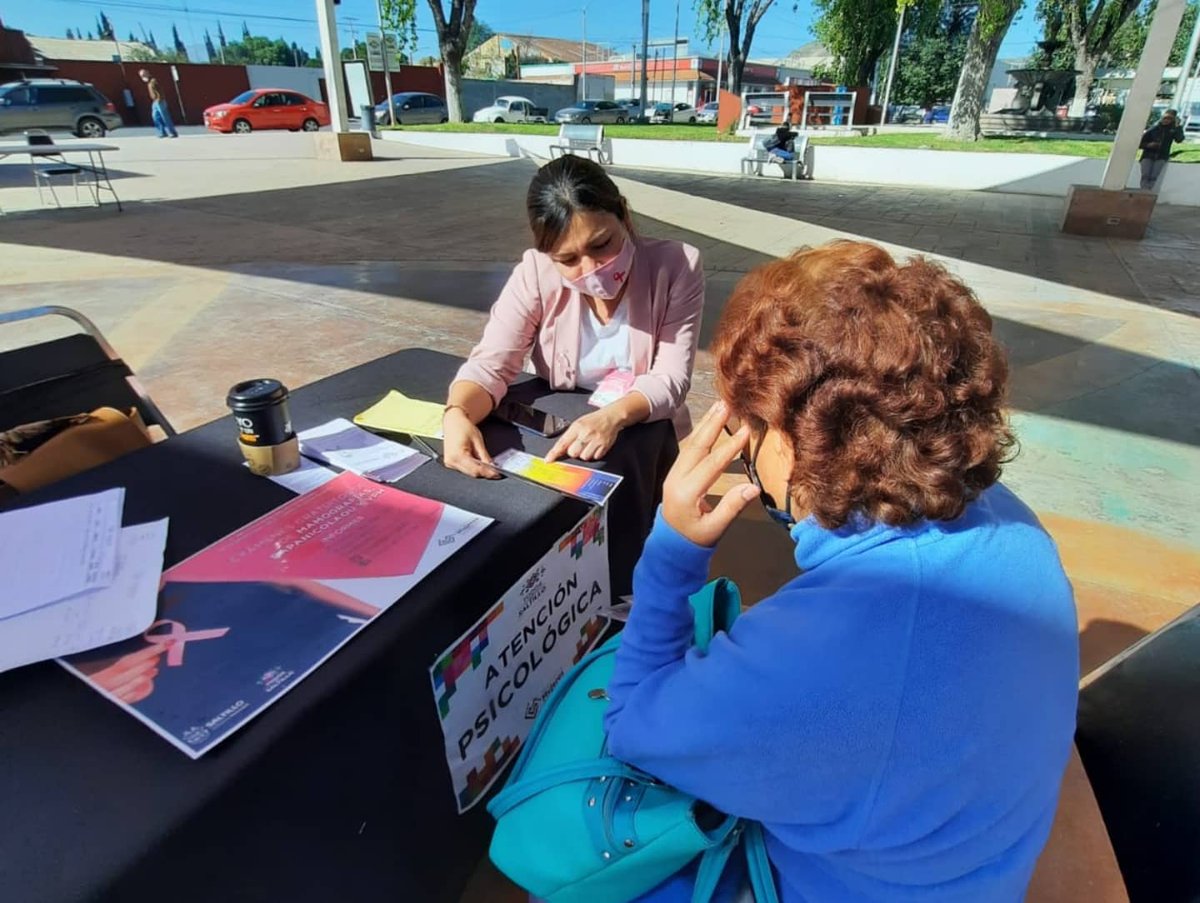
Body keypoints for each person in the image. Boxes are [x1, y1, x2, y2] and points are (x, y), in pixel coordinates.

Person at [603, 240, 1079, 901]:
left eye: (749, 426)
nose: (743, 448)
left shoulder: (817, 649)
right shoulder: (1012, 521)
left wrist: (671, 551)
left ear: (800, 437)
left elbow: (630, 724)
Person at [443, 155, 705, 478]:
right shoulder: (536, 272)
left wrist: (613, 417)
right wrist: (457, 414)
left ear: (623, 214)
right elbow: (491, 364)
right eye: (567, 259)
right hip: (562, 433)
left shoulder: (677, 266)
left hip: (643, 436)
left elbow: (670, 379)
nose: (592, 270)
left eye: (602, 244)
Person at [1139, 108, 1184, 191]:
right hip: (1148, 155)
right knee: (1145, 174)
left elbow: (1179, 139)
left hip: (1161, 156)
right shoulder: (1154, 128)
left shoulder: (1172, 130)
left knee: (1154, 176)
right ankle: (1144, 191)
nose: (1166, 120)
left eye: (1170, 119)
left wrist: (1178, 126)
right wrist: (1149, 145)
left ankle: (1148, 191)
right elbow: (1140, 143)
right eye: (1165, 118)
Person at [139, 68, 179, 139]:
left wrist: (160, 99)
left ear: (148, 73)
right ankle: (162, 132)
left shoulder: (153, 81)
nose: (143, 77)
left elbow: (160, 90)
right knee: (155, 117)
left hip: (160, 101)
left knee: (165, 117)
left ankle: (172, 132)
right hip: (155, 101)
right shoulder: (149, 82)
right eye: (142, 76)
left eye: (144, 75)